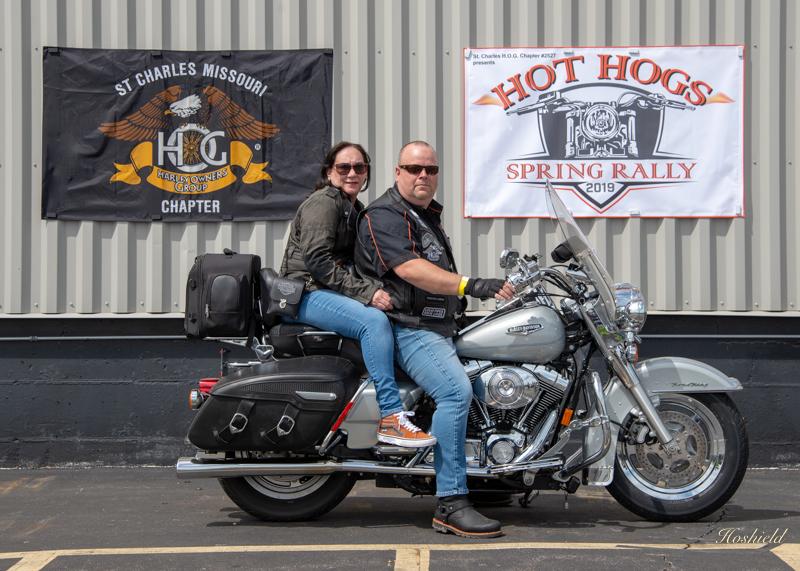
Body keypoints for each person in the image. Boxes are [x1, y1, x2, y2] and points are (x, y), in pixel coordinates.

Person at [355, 140, 515, 539]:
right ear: (398, 172)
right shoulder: (385, 215)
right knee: (456, 392)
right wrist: (471, 285)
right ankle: (451, 503)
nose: (423, 175)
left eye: (430, 169)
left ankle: (489, 475)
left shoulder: (424, 215)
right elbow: (410, 269)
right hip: (408, 327)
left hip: (436, 326)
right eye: (414, 168)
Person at [280, 141, 436, 448]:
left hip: (326, 292)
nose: (352, 173)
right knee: (373, 322)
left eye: (359, 167)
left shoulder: (354, 208)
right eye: (343, 167)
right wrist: (368, 293)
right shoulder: (324, 202)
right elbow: (318, 262)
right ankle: (391, 415)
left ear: (366, 173)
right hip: (304, 293)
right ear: (329, 172)